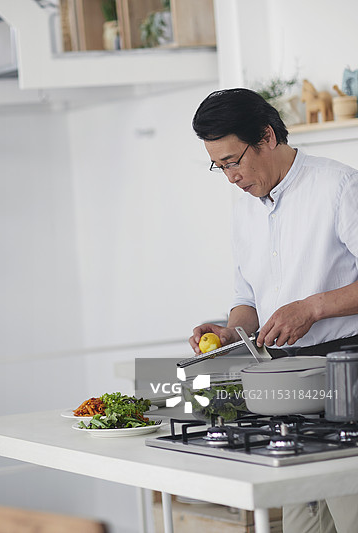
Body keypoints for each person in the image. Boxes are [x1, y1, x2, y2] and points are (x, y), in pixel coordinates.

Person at [188, 88, 358, 533]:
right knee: (302, 523)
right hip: (284, 391)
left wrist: (313, 307)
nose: (230, 177)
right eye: (218, 166)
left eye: (233, 161)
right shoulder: (244, 211)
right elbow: (248, 301)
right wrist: (229, 332)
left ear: (266, 137)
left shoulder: (340, 186)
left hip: (347, 378)